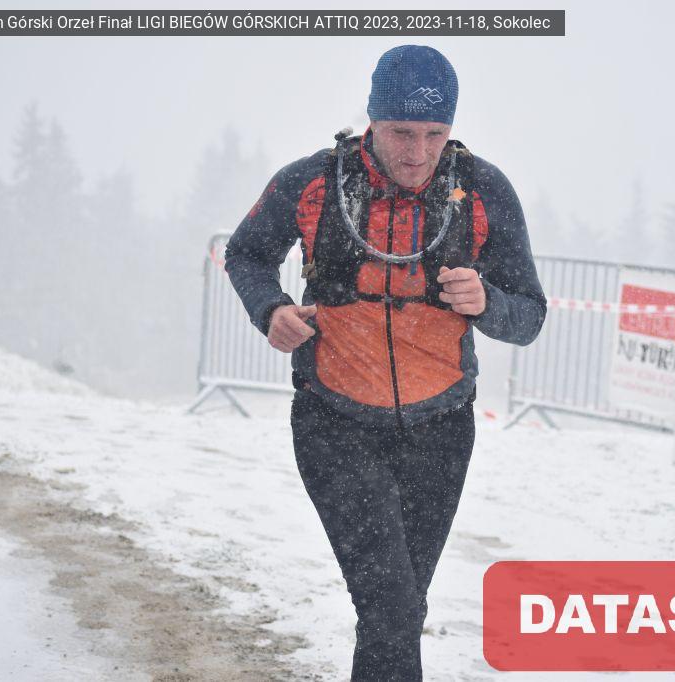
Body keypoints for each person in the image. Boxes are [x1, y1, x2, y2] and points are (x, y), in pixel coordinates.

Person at [225, 44, 546, 681]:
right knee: (391, 607)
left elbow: (529, 316)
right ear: (372, 120)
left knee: (397, 610)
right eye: (401, 132)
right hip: (334, 424)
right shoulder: (314, 182)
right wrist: (271, 309)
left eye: (434, 134)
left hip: (441, 430)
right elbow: (247, 254)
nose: (418, 152)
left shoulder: (483, 191)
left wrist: (487, 302)